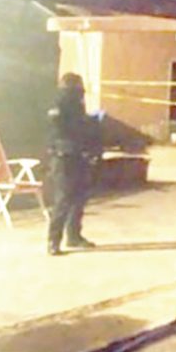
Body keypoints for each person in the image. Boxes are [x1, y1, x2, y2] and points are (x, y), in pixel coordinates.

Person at [46, 73, 102, 255]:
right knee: (64, 199)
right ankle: (53, 241)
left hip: (78, 155)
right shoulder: (60, 103)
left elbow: (80, 126)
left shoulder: (76, 103)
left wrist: (90, 123)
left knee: (79, 197)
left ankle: (73, 236)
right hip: (64, 156)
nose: (82, 91)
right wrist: (87, 124)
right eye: (79, 87)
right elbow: (61, 128)